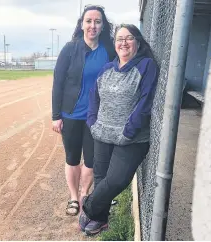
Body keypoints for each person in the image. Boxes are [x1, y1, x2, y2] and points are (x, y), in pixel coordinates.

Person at [79, 24, 158, 235]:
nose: (123, 42)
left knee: (116, 180)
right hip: (102, 133)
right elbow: (94, 97)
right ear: (114, 45)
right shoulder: (107, 68)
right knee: (101, 179)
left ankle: (88, 206)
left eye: (129, 38)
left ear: (138, 42)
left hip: (131, 138)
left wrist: (128, 131)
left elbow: (145, 101)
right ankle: (100, 219)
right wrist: (92, 122)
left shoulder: (146, 65)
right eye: (119, 39)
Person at [52, 5, 116, 216]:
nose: (93, 25)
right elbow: (58, 83)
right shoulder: (70, 49)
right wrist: (56, 116)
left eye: (97, 21)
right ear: (82, 24)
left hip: (95, 117)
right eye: (89, 21)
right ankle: (73, 197)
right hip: (70, 115)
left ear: (103, 26)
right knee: (72, 157)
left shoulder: (108, 51)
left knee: (91, 160)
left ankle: (84, 194)